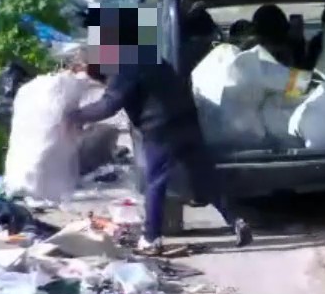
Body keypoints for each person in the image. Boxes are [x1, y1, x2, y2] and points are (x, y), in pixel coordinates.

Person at [68, 39, 253, 256]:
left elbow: (109, 105)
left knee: (155, 181)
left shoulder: (124, 64)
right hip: (187, 120)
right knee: (203, 177)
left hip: (160, 127)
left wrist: (75, 115)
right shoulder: (147, 55)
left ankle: (151, 238)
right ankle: (236, 221)